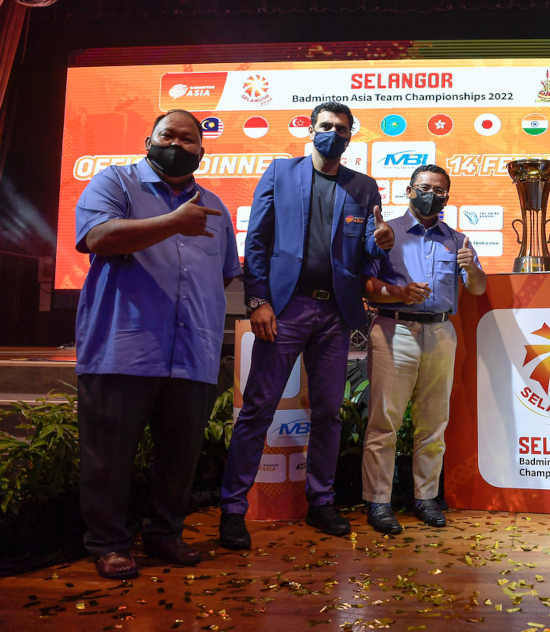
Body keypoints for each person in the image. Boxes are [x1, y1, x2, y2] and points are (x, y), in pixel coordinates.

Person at [219, 101, 394, 549]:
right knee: (258, 408)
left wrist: (382, 247)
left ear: (351, 136)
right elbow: (256, 242)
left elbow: (366, 259)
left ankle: (321, 502)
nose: (332, 133)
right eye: (325, 126)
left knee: (329, 414)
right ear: (311, 129)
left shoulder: (363, 187)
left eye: (341, 128)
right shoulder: (280, 173)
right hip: (285, 310)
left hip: (335, 314)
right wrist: (256, 301)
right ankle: (233, 509)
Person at [75, 110, 242, 579]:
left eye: (189, 139)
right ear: (149, 139)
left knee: (180, 457)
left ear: (201, 151)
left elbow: (227, 272)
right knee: (108, 457)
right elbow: (98, 238)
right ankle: (109, 543)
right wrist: (173, 222)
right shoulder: (115, 183)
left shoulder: (214, 207)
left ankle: (166, 534)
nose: (178, 144)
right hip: (122, 349)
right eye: (169, 135)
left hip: (193, 354)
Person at [360, 164, 486, 534]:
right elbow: (365, 285)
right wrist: (398, 292)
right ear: (409, 190)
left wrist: (471, 268)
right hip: (393, 328)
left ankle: (426, 498)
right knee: (385, 422)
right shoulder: (388, 232)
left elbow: (476, 287)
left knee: (433, 423)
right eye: (425, 187)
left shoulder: (457, 239)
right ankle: (379, 501)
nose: (433, 194)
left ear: (448, 196)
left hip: (441, 332)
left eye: (441, 190)